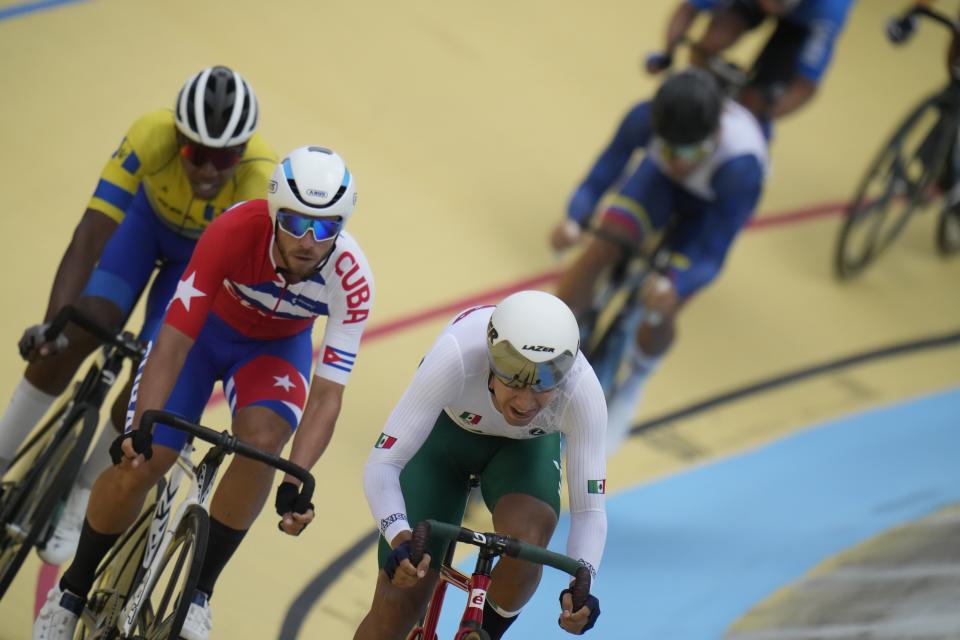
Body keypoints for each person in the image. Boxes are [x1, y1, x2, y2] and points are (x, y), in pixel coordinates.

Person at [32, 146, 374, 640]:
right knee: (141, 463)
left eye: (325, 227)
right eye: (297, 223)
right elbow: (171, 343)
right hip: (202, 335)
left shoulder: (353, 278)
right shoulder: (234, 231)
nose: (308, 240)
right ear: (276, 214)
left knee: (264, 444)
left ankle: (199, 591)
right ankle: (72, 589)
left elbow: (326, 396)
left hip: (273, 352)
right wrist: (141, 427)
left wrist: (299, 476)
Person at [0, 65, 275, 565]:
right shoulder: (150, 132)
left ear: (244, 153)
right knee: (78, 325)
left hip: (197, 264)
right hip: (144, 229)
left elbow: (230, 291)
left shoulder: (261, 182)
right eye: (196, 154)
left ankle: (82, 491)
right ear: (177, 138)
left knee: (151, 371)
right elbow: (92, 231)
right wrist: (52, 322)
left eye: (225, 157)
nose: (209, 171)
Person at [354, 290, 605, 640]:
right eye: (513, 376)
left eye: (545, 382)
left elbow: (589, 511)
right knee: (397, 601)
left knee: (528, 543)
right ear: (490, 356)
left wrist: (581, 585)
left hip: (522, 452)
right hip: (446, 439)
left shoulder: (582, 392)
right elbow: (383, 463)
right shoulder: (456, 354)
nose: (525, 401)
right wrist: (400, 535)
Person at [551, 68, 768, 453]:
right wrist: (574, 218)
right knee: (600, 248)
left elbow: (712, 252)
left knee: (661, 303)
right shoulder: (645, 119)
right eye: (667, 148)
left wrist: (676, 286)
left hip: (708, 210)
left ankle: (637, 376)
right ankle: (550, 338)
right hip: (658, 186)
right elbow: (601, 174)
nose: (677, 161)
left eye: (687, 153)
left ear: (716, 132)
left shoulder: (742, 165)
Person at [647, 0, 855, 133]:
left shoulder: (830, 11)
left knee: (756, 101)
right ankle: (697, 92)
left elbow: (805, 86)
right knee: (711, 42)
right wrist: (668, 54)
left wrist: (759, 118)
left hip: (804, 22)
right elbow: (688, 9)